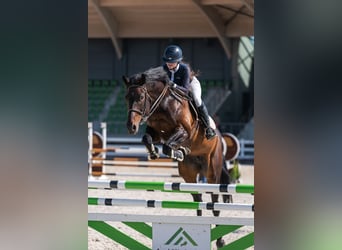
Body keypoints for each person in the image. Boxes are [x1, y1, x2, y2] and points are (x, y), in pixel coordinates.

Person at [162, 45, 216, 140]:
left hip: (190, 85)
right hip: (174, 89)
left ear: (178, 61)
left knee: (197, 99)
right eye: (167, 61)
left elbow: (185, 89)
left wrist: (173, 85)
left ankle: (208, 128)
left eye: (172, 61)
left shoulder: (184, 69)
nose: (169, 63)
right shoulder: (164, 69)